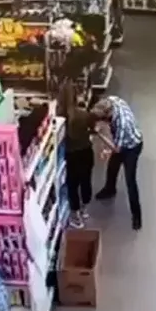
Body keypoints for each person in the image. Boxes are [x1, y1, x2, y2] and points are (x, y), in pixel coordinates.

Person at [91, 95, 144, 230]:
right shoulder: (112, 101)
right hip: (122, 142)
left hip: (132, 146)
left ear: (108, 116)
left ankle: (137, 216)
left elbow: (116, 149)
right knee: (112, 168)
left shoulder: (122, 124)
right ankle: (109, 189)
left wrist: (100, 136)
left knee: (130, 180)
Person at [57, 81, 96, 229]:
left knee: (72, 185)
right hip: (86, 151)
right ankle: (85, 209)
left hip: (71, 155)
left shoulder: (59, 120)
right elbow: (93, 129)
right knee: (86, 180)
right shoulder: (85, 114)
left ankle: (76, 216)